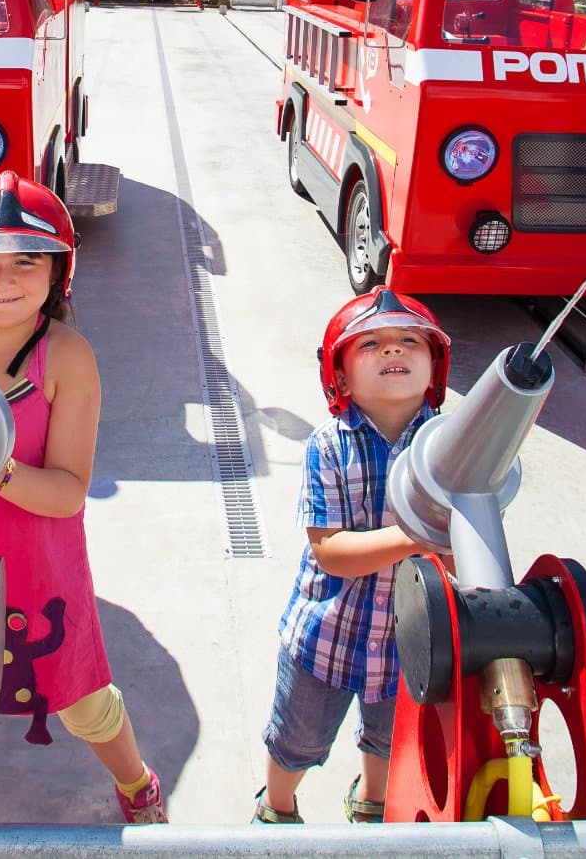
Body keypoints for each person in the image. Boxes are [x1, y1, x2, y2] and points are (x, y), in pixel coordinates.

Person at [0, 173, 168, 823]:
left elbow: (69, 492)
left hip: (37, 566)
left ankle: (137, 784)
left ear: (57, 272)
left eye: (26, 260)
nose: (3, 277)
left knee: (83, 700)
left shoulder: (68, 356)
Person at [255, 288, 449, 825]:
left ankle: (372, 800)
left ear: (435, 368)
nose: (393, 351)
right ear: (339, 376)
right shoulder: (327, 446)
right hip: (326, 639)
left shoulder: (451, 447)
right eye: (371, 344)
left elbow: (466, 549)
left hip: (410, 640)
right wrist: (419, 536)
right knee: (296, 739)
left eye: (409, 341)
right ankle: (277, 807)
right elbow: (332, 552)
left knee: (388, 738)